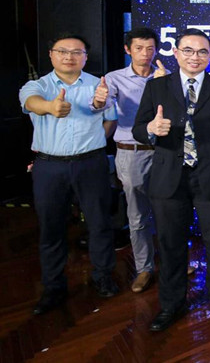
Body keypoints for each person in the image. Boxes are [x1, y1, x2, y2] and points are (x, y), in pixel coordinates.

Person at [133, 28, 210, 331]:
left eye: (202, 51)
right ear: (176, 52)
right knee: (170, 244)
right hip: (169, 177)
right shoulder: (157, 86)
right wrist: (151, 129)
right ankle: (171, 304)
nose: (195, 57)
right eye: (188, 50)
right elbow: (138, 128)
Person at [20, 34, 119, 315]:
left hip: (91, 164)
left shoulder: (98, 85)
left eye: (77, 52)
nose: (69, 57)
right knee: (51, 227)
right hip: (50, 166)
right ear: (51, 55)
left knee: (100, 223)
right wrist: (51, 107)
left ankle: (102, 276)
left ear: (85, 57)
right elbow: (32, 103)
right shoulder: (37, 85)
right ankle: (53, 286)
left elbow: (110, 118)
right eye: (62, 51)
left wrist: (95, 139)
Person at [94, 27, 167, 294]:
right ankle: (144, 268)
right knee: (137, 215)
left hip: (164, 152)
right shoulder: (114, 79)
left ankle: (173, 262)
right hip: (131, 151)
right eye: (138, 48)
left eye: (150, 48)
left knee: (169, 211)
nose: (145, 53)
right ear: (128, 50)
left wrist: (164, 86)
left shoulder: (165, 76)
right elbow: (103, 104)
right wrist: (99, 100)